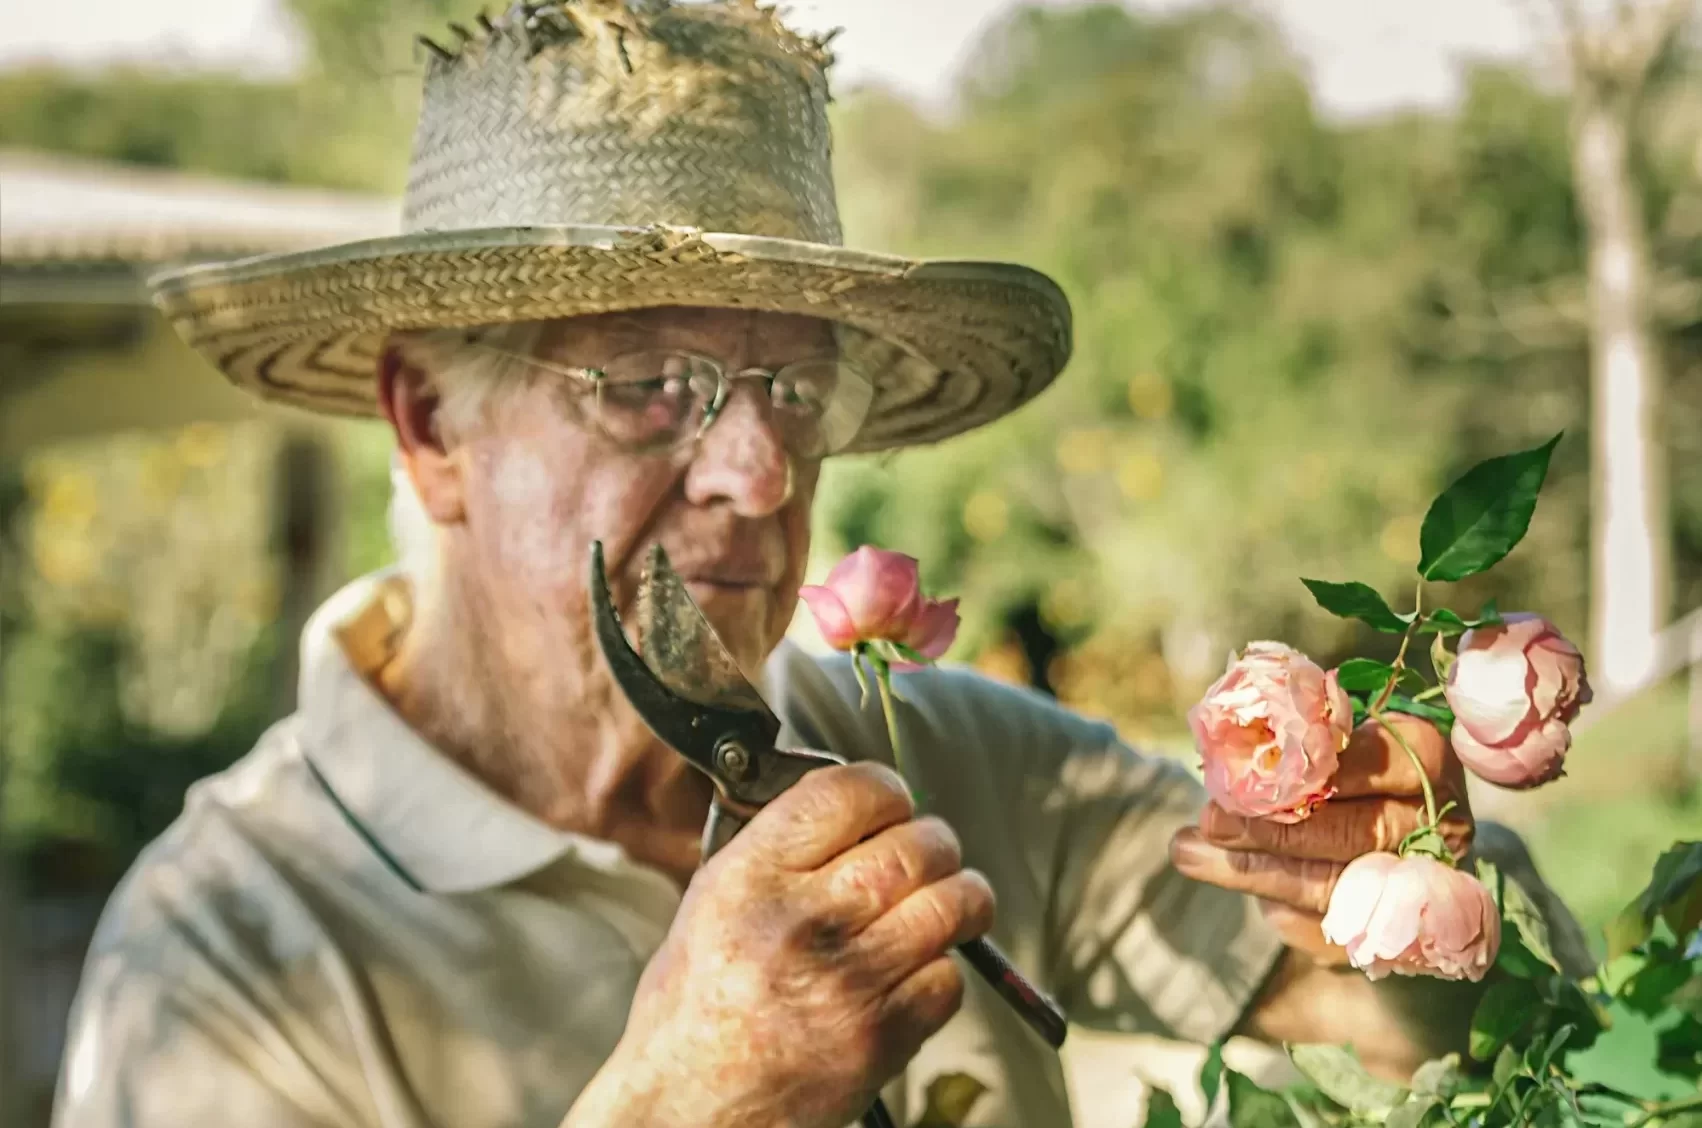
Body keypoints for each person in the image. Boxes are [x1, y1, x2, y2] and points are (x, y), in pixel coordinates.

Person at [53, 3, 1591, 1126]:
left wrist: (1408, 885)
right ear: (429, 423)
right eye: (645, 378)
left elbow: (1493, 1045)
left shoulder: (921, 747)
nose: (763, 469)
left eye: (794, 388)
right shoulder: (223, 961)